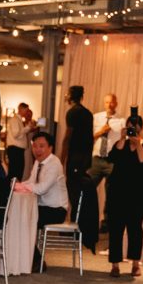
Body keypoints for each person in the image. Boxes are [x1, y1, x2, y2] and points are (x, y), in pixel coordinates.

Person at [106, 109, 143, 278]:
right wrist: (121, 138)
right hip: (116, 193)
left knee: (135, 229)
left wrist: (138, 143)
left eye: (135, 128)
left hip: (136, 194)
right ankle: (115, 265)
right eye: (129, 128)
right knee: (116, 229)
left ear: (141, 129)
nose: (132, 131)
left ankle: (135, 263)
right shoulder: (121, 144)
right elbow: (112, 157)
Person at [14, 131, 69, 271]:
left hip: (56, 210)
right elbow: (32, 182)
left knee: (24, 220)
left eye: (41, 146)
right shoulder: (38, 163)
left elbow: (41, 188)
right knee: (19, 218)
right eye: (34, 146)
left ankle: (37, 261)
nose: (37, 150)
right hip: (42, 207)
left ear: (50, 148)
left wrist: (21, 186)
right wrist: (17, 185)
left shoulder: (54, 163)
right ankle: (26, 260)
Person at [87, 93, 125, 218]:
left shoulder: (121, 121)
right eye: (107, 102)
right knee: (88, 188)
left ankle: (107, 222)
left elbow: (124, 140)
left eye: (112, 102)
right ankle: (87, 218)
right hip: (96, 160)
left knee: (112, 193)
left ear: (116, 103)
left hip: (112, 161)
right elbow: (88, 138)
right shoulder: (95, 117)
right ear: (104, 103)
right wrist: (101, 132)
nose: (110, 105)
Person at [61, 85, 93, 220]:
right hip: (85, 158)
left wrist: (61, 158)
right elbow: (90, 138)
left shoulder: (72, 113)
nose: (66, 96)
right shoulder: (88, 113)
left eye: (67, 94)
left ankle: (73, 222)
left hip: (75, 157)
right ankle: (77, 220)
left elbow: (68, 136)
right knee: (80, 191)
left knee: (73, 190)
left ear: (71, 96)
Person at [5, 103, 32, 181]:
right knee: (15, 173)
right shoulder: (14, 120)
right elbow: (16, 134)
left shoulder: (18, 120)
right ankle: (11, 191)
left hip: (17, 150)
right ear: (21, 109)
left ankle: (14, 190)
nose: (27, 113)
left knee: (18, 172)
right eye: (26, 110)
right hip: (15, 149)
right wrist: (27, 128)